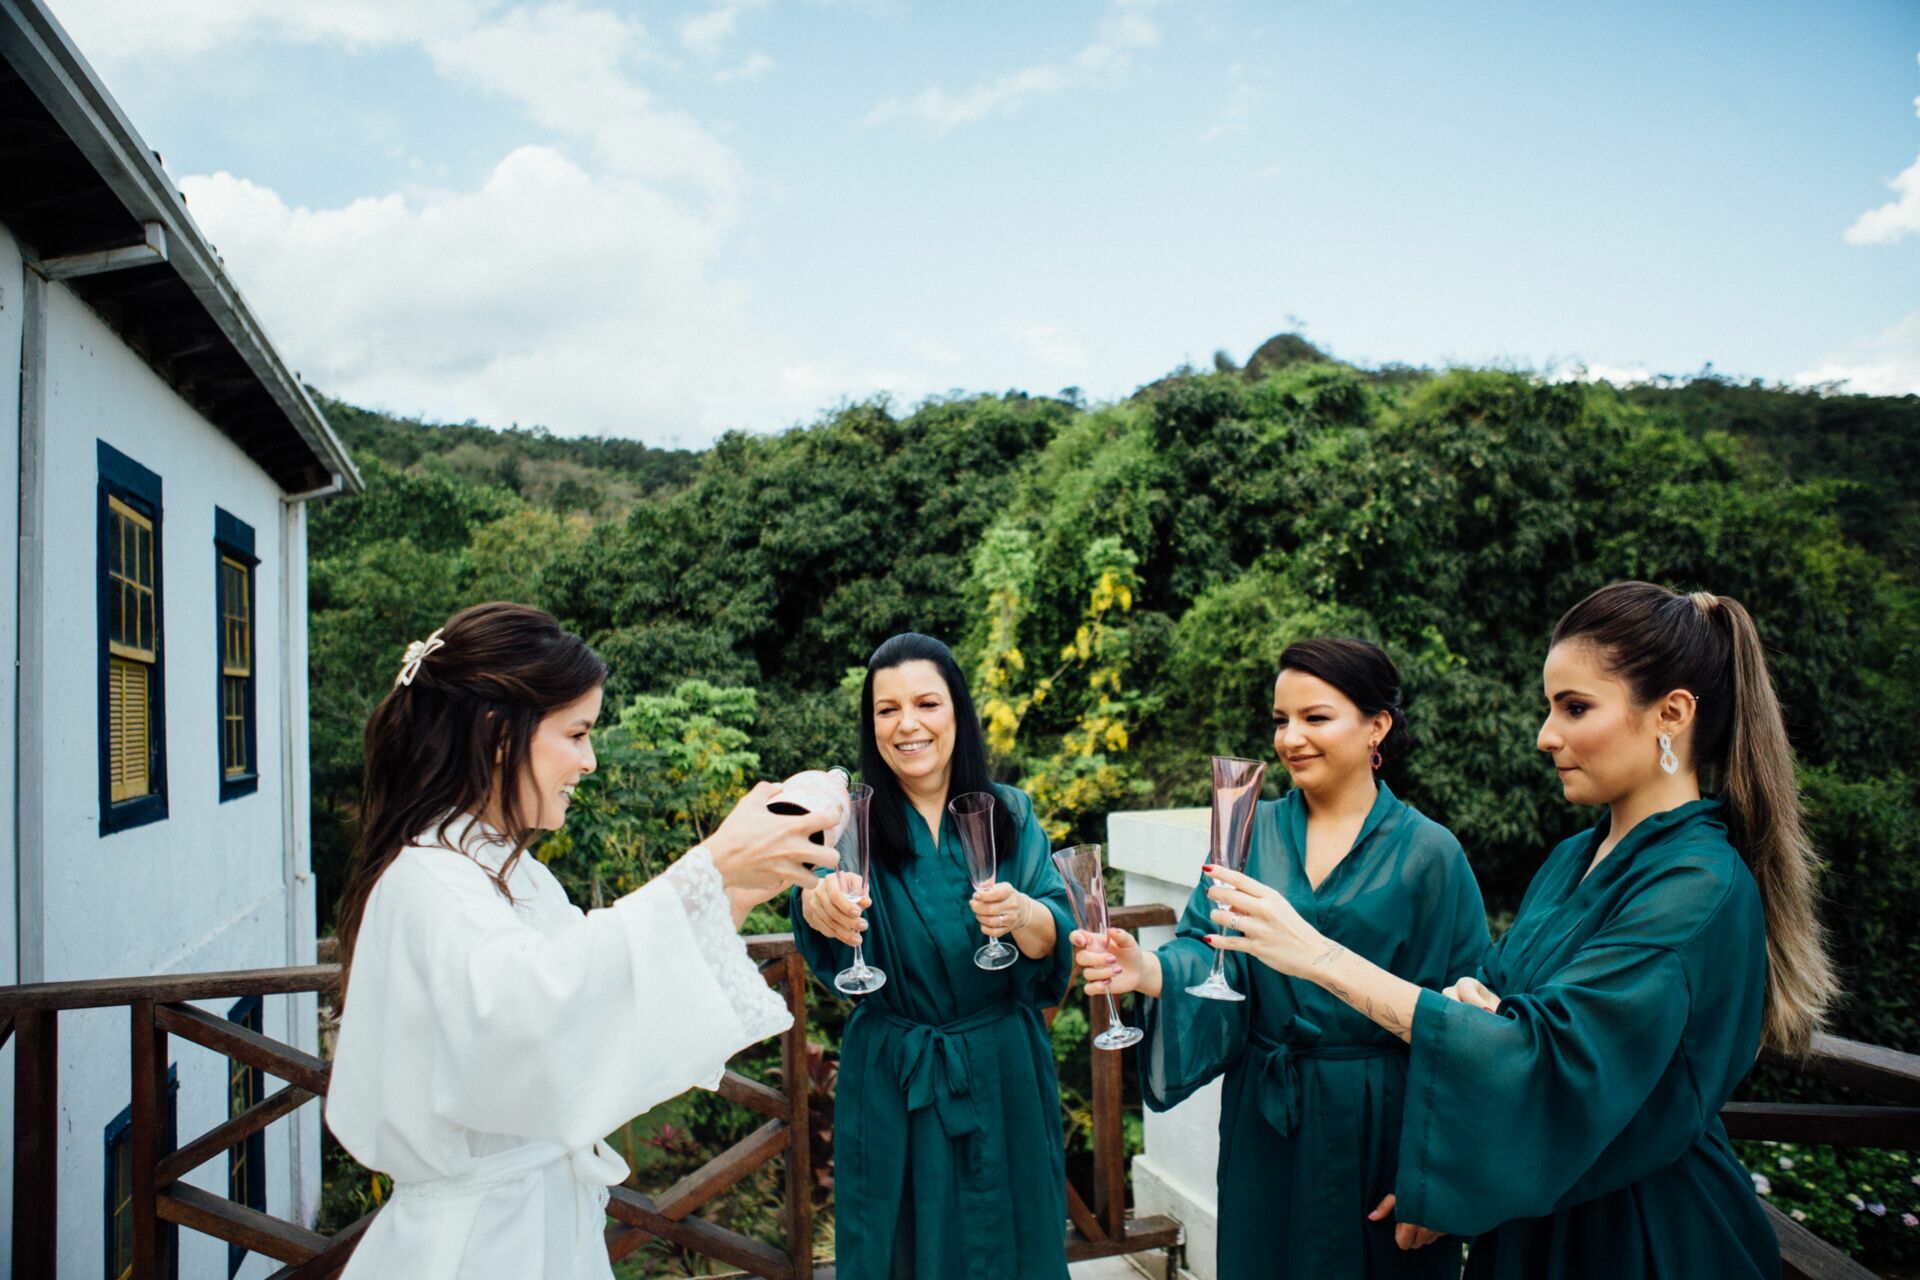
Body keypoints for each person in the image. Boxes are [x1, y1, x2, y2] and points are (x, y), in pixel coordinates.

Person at [1199, 583, 1837, 1278]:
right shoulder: (1575, 859)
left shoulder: (1699, 886)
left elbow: (1546, 1055)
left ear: (1672, 714)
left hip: (1637, 1235)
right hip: (1536, 1219)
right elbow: (1491, 1007)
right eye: (1550, 707)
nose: (1545, 735)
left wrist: (1320, 957)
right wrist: (1489, 1036)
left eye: (1575, 707)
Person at [326, 602, 838, 1280]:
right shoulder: (431, 882)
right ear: (498, 733)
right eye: (577, 733)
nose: (589, 761)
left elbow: (602, 996)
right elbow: (537, 1015)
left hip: (539, 1222)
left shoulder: (511, 874)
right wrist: (711, 866)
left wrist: (738, 886)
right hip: (483, 1248)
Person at [1075, 638, 1488, 1277]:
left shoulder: (1430, 854)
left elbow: (1466, 1028)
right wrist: (1148, 970)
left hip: (1377, 1132)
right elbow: (1210, 952)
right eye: (1280, 720)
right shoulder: (1248, 832)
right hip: (1266, 1122)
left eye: (1315, 717)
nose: (1290, 738)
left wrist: (1436, 1173)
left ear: (1377, 725)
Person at [791, 632, 1076, 1280]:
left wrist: (1028, 916)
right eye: (886, 709)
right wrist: (817, 905)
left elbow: (1054, 931)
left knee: (1017, 1241)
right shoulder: (845, 823)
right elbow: (815, 902)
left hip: (1003, 1068)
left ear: (958, 713)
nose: (907, 724)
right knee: (901, 1248)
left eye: (926, 703)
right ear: (871, 724)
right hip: (896, 1076)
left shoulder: (1010, 813)